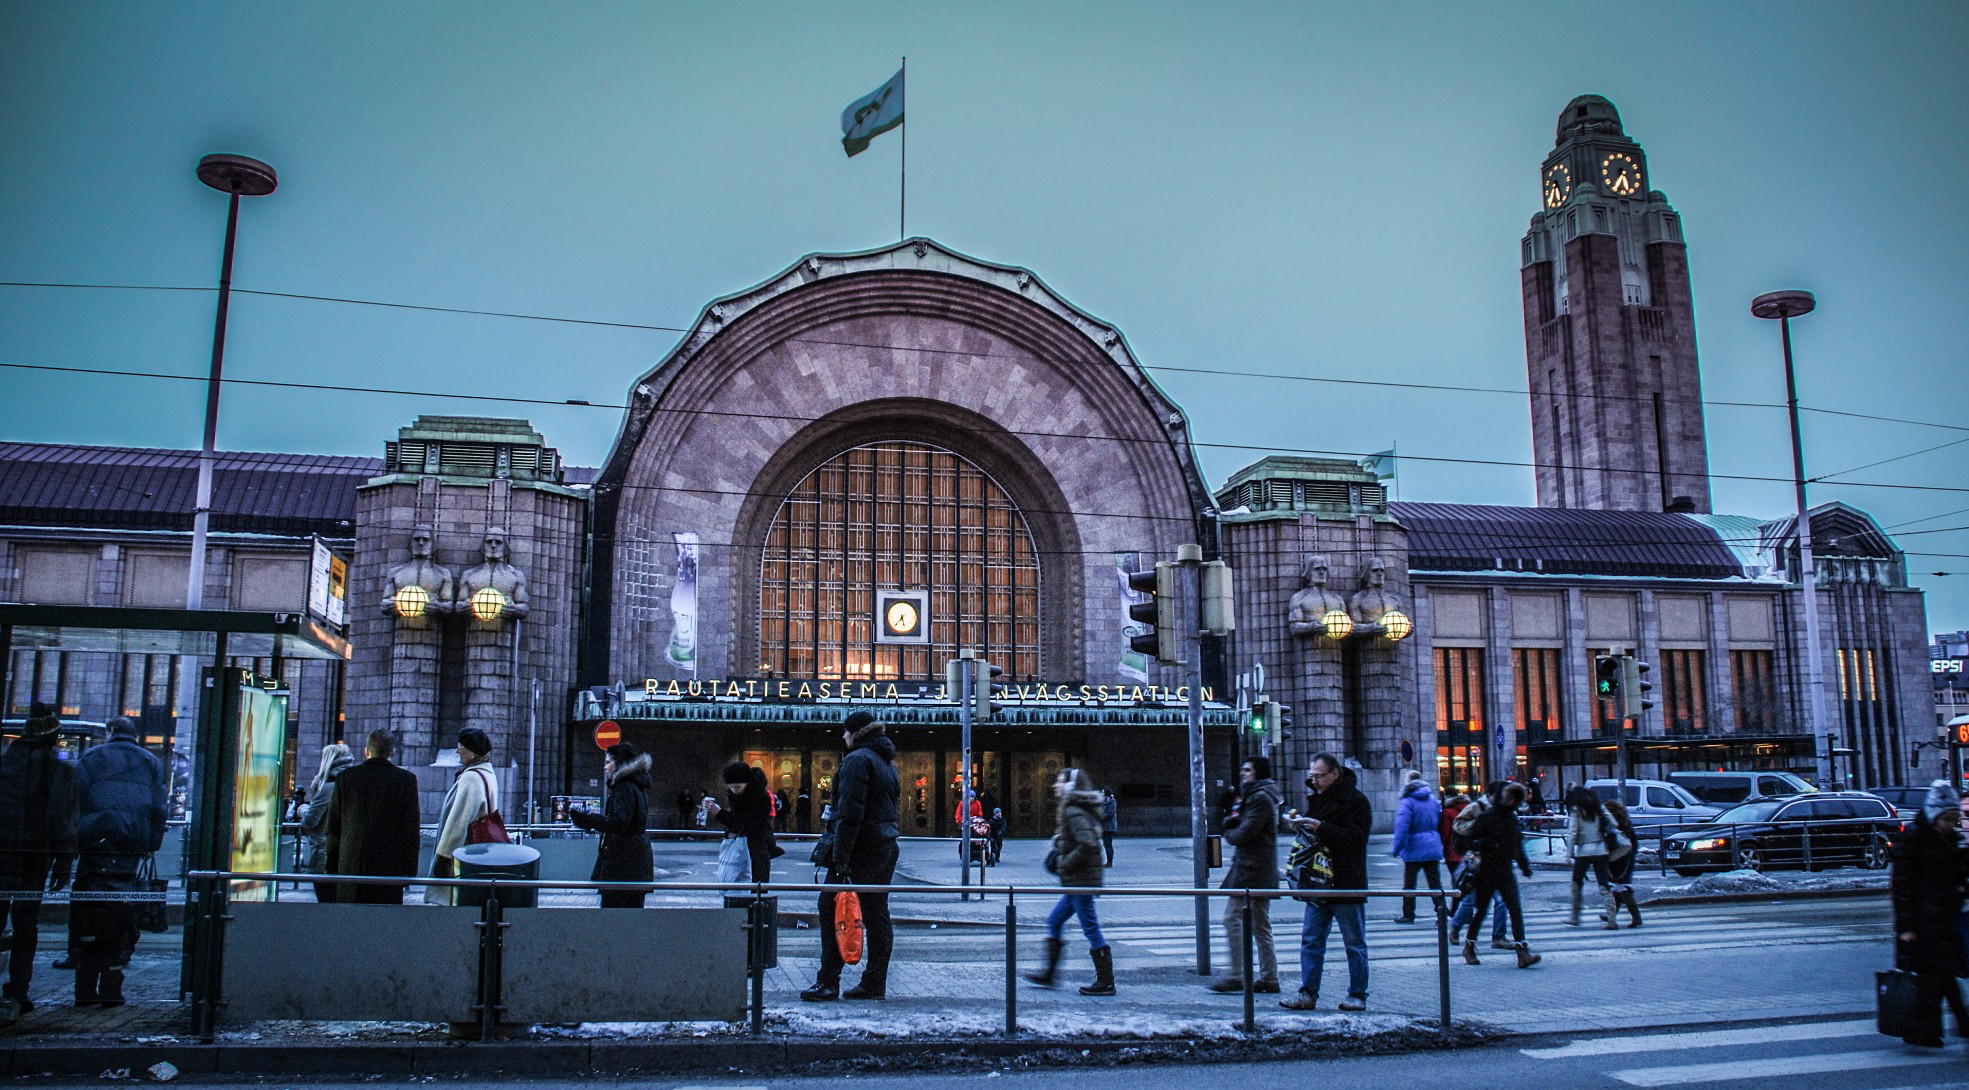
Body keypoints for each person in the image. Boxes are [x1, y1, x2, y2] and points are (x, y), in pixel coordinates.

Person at [802, 711, 900, 1002]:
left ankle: (828, 981)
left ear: (855, 733)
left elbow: (850, 814)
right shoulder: (886, 760)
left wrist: (841, 859)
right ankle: (874, 983)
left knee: (831, 906)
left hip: (861, 848)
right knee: (876, 913)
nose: (842, 737)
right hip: (885, 845)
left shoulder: (857, 760)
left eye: (845, 732)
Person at [68, 716, 166, 1006]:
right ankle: (112, 987)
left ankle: (85, 987)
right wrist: (151, 844)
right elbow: (158, 808)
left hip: (94, 844)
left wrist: (75, 841)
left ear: (110, 732)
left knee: (89, 911)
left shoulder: (90, 757)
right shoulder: (149, 761)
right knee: (122, 911)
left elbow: (74, 802)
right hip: (130, 845)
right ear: (133, 735)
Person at [0, 702, 79, 1014]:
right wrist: (64, 861)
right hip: (35, 857)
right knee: (25, 925)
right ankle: (18, 990)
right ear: (54, 737)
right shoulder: (60, 773)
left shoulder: (5, 769)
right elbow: (64, 821)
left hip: (3, 854)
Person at [1280, 752, 1371, 1011]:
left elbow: (1355, 840)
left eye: (1320, 776)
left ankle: (1358, 994)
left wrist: (1321, 827)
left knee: (1354, 942)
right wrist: (1301, 826)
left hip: (1345, 881)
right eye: (1312, 776)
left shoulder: (1357, 802)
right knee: (1311, 940)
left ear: (1335, 774)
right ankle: (1307, 993)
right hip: (1318, 882)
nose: (1315, 781)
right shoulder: (1318, 800)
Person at [1022, 768, 1116, 995]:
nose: (1055, 785)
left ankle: (1106, 981)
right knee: (1054, 920)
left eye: (1059, 781)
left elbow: (1088, 843)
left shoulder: (1073, 811)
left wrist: (1064, 862)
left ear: (1070, 786)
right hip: (1078, 880)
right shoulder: (1074, 809)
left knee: (1090, 927)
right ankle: (1049, 974)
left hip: (1080, 881)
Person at [1891, 780, 1969, 1047]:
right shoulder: (1914, 837)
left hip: (1945, 919)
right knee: (1935, 978)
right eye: (1947, 819)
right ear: (1935, 815)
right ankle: (1933, 1029)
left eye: (1953, 820)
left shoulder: (1951, 841)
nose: (1950, 825)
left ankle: (1926, 1031)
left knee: (1939, 977)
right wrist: (1906, 926)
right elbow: (1901, 885)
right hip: (1924, 922)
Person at [1209, 755, 1281, 993]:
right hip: (1257, 869)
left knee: (1232, 919)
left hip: (1252, 870)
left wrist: (1229, 830)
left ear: (1258, 773)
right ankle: (1269, 977)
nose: (1243, 773)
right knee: (1260, 925)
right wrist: (1233, 823)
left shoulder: (1259, 798)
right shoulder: (1256, 796)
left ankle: (1237, 974)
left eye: (1248, 770)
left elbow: (1243, 833)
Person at [326, 730, 421, 904]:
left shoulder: (346, 778)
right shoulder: (405, 780)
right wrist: (410, 869)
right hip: (389, 869)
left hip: (350, 866)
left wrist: (331, 866)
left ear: (366, 751)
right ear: (392, 751)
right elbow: (410, 828)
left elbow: (334, 827)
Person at [1460, 782, 1541, 968]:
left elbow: (1517, 844)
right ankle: (1469, 946)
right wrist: (1485, 843)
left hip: (1505, 870)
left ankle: (1522, 951)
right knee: (1481, 911)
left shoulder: (1511, 818)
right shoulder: (1488, 816)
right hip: (1486, 870)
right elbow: (1467, 840)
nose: (1513, 803)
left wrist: (1524, 865)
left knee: (1514, 908)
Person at [569, 743, 653, 907]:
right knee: (629, 918)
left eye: (608, 762)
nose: (605, 767)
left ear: (619, 763)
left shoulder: (624, 787)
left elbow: (618, 823)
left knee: (614, 920)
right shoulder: (635, 786)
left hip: (622, 864)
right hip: (633, 862)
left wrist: (587, 820)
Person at [428, 727, 497, 906]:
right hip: (478, 853)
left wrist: (444, 857)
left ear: (472, 752)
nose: (457, 751)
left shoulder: (471, 778)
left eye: (461, 746)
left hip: (462, 856)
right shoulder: (487, 773)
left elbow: (458, 822)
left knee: (454, 906)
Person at [298, 742, 356, 904]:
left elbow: (310, 821)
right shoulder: (352, 785)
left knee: (326, 900)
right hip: (346, 853)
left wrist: (302, 809)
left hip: (324, 853)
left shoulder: (327, 788)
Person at [706, 761, 776, 884]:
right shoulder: (735, 795)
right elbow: (737, 821)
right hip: (740, 849)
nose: (734, 791)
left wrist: (718, 812)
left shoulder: (761, 797)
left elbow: (745, 824)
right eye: (731, 787)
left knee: (755, 889)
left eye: (738, 787)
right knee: (736, 889)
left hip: (756, 851)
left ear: (747, 783)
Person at [1391, 772, 1445, 924]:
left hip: (1413, 847)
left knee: (1409, 883)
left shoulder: (1407, 802)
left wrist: (1397, 848)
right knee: (1435, 882)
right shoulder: (1432, 800)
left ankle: (1408, 914)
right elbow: (1439, 820)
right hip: (1432, 844)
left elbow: (1402, 827)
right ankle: (1441, 912)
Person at [1563, 785, 1617, 929]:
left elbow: (1572, 833)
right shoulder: (1598, 807)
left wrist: (1569, 854)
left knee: (1576, 883)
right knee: (1604, 884)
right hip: (1601, 850)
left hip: (1583, 852)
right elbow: (1614, 822)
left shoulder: (1576, 810)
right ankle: (1612, 919)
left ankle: (1575, 916)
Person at [1603, 798, 1643, 928]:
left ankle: (1636, 917)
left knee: (1621, 887)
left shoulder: (1615, 826)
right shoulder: (1625, 825)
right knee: (1617, 887)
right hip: (1626, 859)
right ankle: (1612, 914)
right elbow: (1634, 844)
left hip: (1620, 861)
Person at [1098, 788, 1119, 867]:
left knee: (1108, 844)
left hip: (1110, 826)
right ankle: (1109, 861)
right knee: (1106, 844)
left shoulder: (1112, 801)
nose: (1102, 793)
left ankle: (1110, 862)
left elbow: (1110, 813)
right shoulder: (1103, 801)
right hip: (1104, 826)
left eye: (1103, 792)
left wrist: (1101, 816)